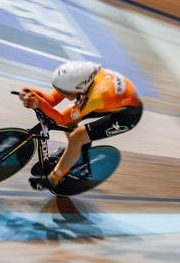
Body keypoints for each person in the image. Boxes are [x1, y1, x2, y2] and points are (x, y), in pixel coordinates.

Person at [18, 61, 143, 191]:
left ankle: (53, 179)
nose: (62, 94)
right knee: (71, 128)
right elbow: (51, 99)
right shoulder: (80, 80)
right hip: (113, 100)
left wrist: (39, 103)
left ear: (78, 87)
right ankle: (76, 153)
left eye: (64, 91)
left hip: (128, 114)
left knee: (77, 137)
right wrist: (31, 93)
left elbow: (60, 119)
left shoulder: (96, 96)